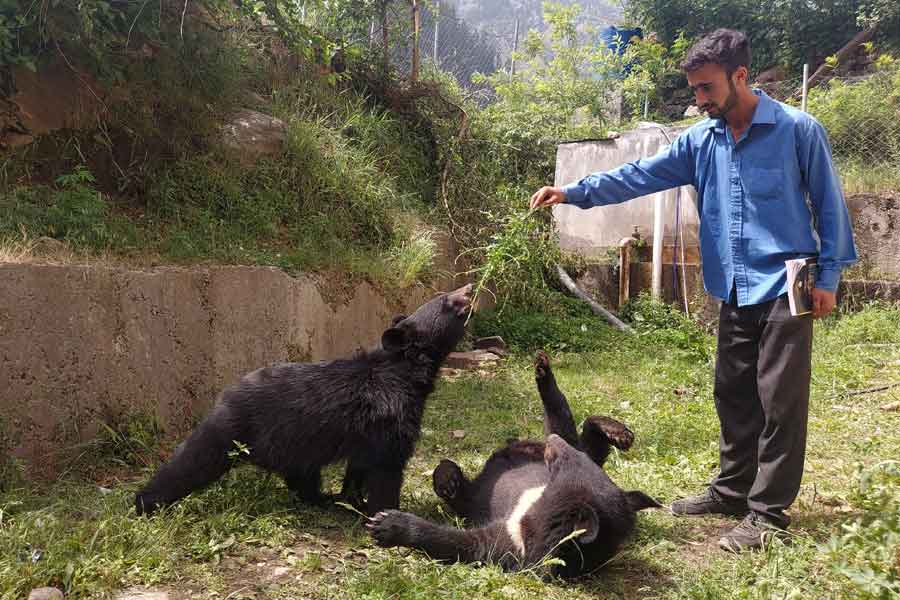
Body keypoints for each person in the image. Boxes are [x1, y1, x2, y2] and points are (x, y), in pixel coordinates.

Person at [529, 28, 857, 552]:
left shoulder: (799, 130)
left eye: (706, 89)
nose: (698, 100)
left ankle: (768, 514)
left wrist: (832, 278)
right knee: (731, 392)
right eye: (695, 89)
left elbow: (830, 205)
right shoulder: (700, 141)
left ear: (740, 77)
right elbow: (639, 175)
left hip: (787, 281)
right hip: (732, 285)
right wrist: (572, 192)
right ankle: (731, 490)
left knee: (780, 401)